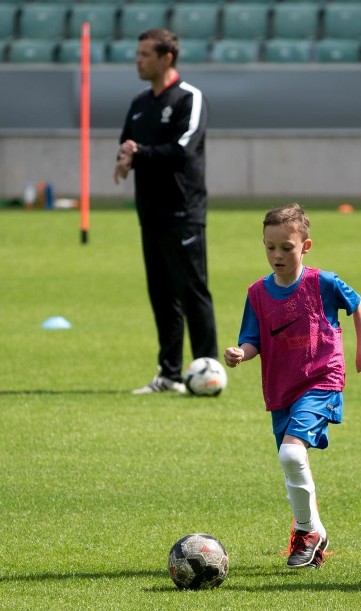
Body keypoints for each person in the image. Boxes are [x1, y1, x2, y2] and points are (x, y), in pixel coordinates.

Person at [224, 204, 361, 569]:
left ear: (305, 247)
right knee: (292, 461)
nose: (277, 255)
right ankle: (314, 533)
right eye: (270, 247)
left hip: (322, 378)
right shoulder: (257, 294)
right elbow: (253, 340)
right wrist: (240, 354)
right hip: (282, 388)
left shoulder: (322, 283)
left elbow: (359, 305)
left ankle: (306, 531)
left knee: (291, 455)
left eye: (286, 247)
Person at [114, 28, 218, 394]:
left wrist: (138, 154)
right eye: (138, 53)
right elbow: (128, 143)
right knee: (161, 294)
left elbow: (184, 148)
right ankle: (169, 374)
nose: (138, 61)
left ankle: (209, 369)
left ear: (166, 58)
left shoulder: (189, 98)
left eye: (145, 54)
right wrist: (125, 157)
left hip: (184, 212)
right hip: (150, 213)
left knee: (193, 291)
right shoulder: (141, 101)